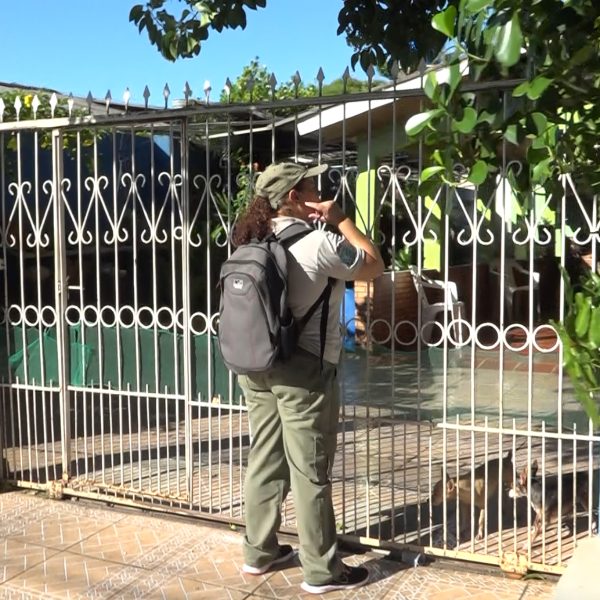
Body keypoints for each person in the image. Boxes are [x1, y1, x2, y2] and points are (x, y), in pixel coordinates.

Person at [233, 161, 384, 594]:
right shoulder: (319, 242)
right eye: (312, 185)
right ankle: (321, 571)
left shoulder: (249, 238)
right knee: (310, 470)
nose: (321, 190)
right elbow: (373, 265)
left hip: (255, 365)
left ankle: (259, 553)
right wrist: (342, 220)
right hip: (304, 371)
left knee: (264, 457)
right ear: (296, 197)